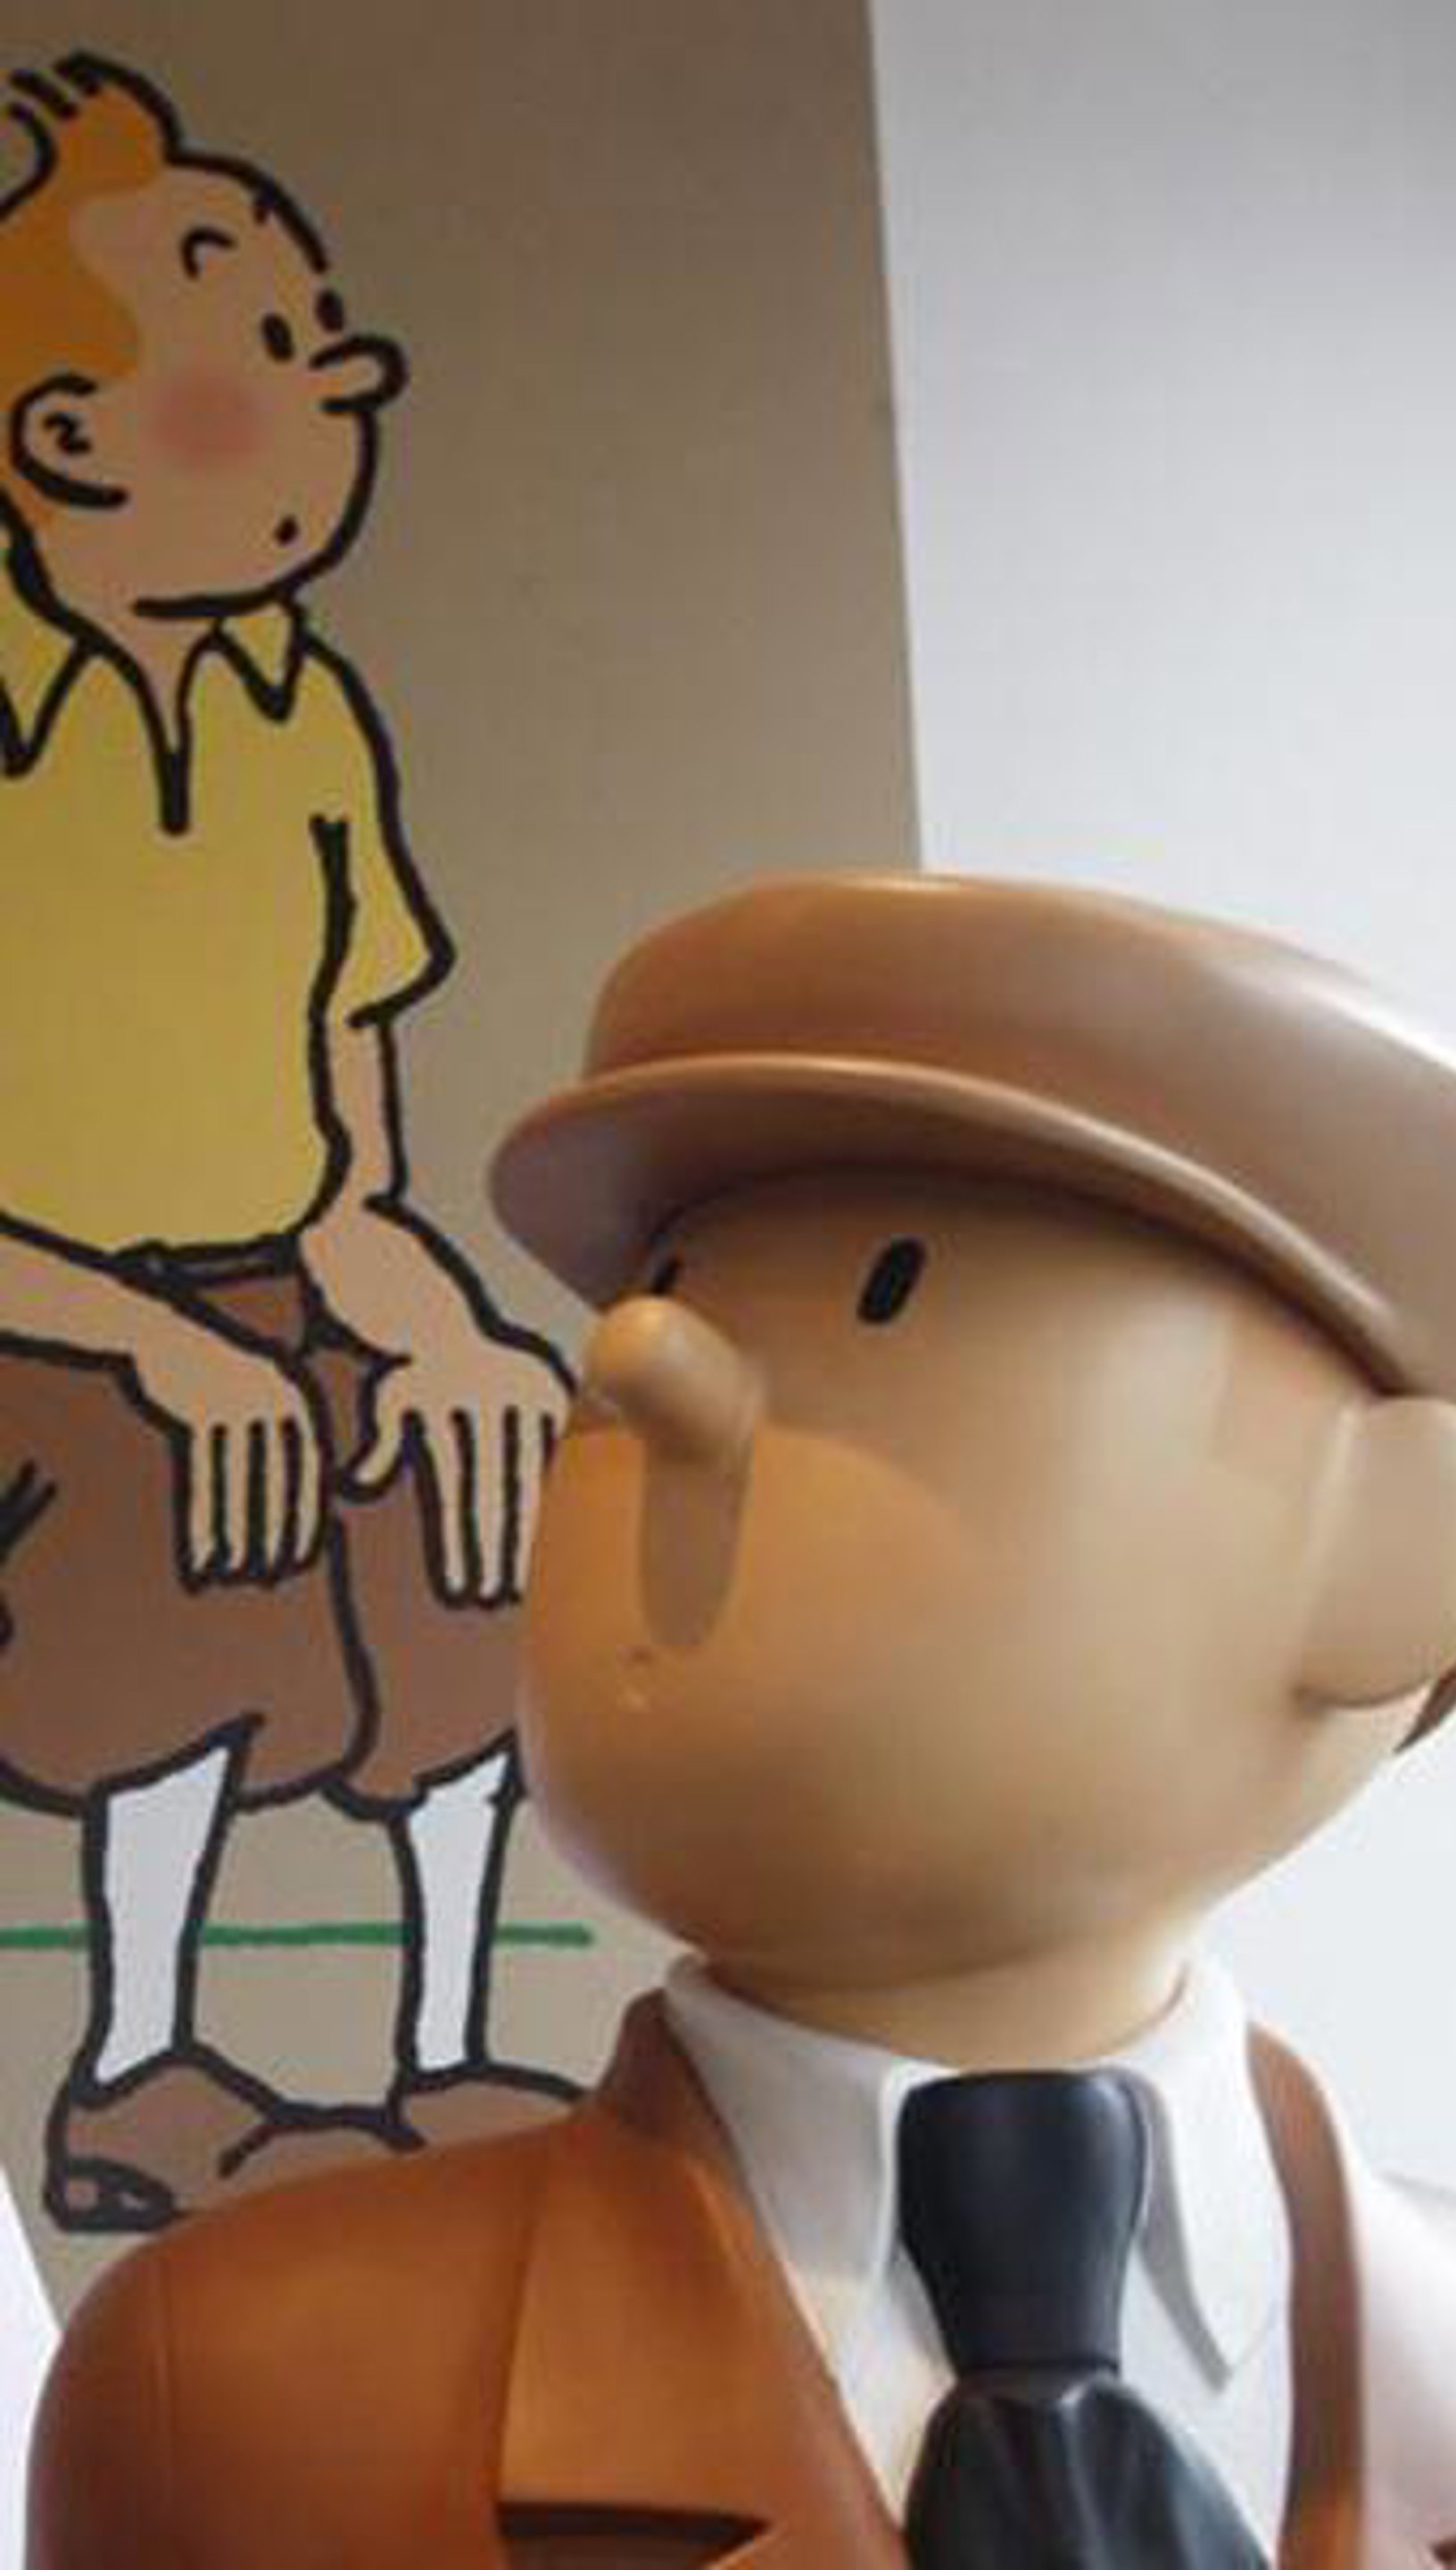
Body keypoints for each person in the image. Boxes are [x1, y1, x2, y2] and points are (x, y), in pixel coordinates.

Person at [28, 876, 1456, 2563]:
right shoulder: (234, 2399)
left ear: (1389, 1558)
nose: (642, 1360)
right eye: (672, 1281)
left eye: (887, 1291)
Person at [0, 55, 571, 2234]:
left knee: (475, 1483)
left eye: (323, 331)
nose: (340, 380)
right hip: (40, 1322)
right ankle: (136, 2066)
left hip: (262, 1285)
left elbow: (350, 1173)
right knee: (180, 1503)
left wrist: (445, 1340)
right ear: (71, 439)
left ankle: (443, 2050)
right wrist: (157, 1341)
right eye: (266, 341)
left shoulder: (300, 714)